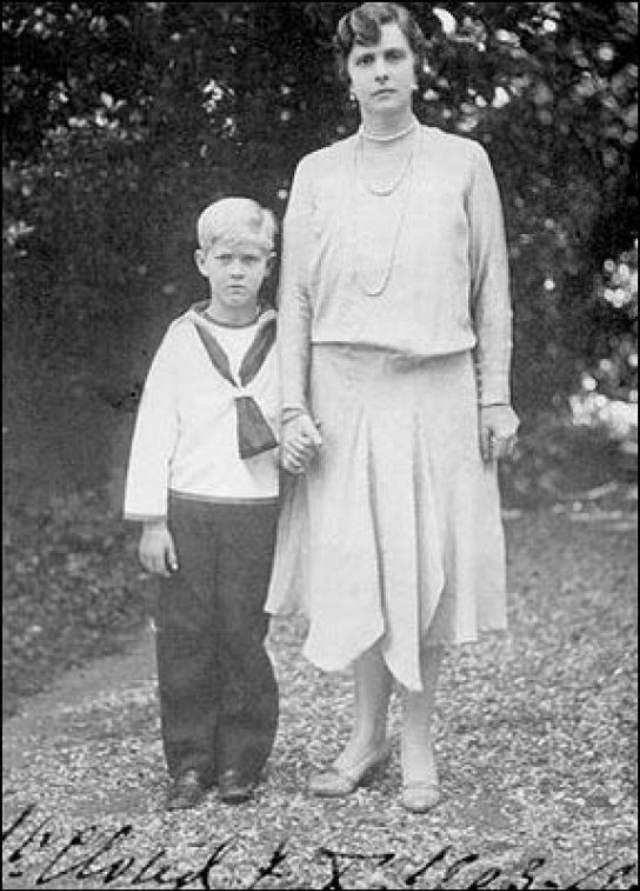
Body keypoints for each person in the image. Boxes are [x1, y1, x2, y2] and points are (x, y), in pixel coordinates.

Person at [265, 1, 520, 813]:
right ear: (347, 77)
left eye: (394, 57)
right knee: (361, 570)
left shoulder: (462, 161)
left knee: (423, 572)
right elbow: (295, 300)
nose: (381, 72)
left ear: (417, 67)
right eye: (365, 60)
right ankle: (364, 734)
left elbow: (494, 292)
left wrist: (497, 394)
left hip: (436, 390)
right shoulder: (317, 172)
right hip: (343, 397)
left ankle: (415, 742)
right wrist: (291, 407)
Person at [124, 197, 281, 810]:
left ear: (269, 265)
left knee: (244, 633)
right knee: (186, 637)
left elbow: (302, 414)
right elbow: (155, 427)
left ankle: (242, 760)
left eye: (250, 259)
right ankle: (190, 762)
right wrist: (152, 521)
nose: (238, 271)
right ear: (202, 262)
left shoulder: (284, 337)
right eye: (225, 259)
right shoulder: (183, 338)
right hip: (189, 507)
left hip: (255, 508)